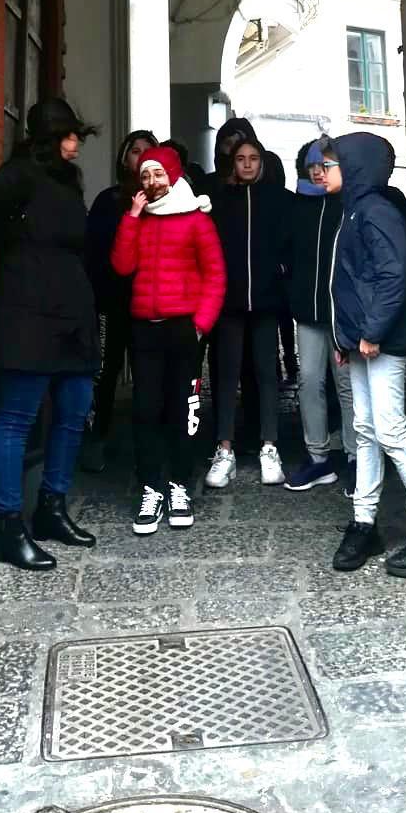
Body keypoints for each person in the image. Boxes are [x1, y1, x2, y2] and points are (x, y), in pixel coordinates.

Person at [0, 98, 101, 571]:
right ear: (51, 136)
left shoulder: (69, 181)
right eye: (70, 134)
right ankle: (7, 526)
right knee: (17, 419)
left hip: (72, 314)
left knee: (74, 410)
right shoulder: (20, 173)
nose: (76, 143)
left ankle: (51, 509)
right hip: (28, 314)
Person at [323, 132, 406, 577]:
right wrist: (346, 339)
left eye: (330, 165)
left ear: (354, 167)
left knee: (391, 432)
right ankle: (364, 524)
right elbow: (354, 282)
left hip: (378, 341)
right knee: (365, 430)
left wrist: (371, 332)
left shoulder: (376, 211)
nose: (322, 173)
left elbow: (393, 276)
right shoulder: (356, 209)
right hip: (362, 341)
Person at [110, 144, 225, 534]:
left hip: (183, 330)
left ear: (173, 176)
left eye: (158, 174)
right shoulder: (138, 218)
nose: (152, 181)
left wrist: (201, 324)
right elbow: (122, 265)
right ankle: (150, 488)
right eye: (145, 175)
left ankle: (179, 485)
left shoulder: (197, 219)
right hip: (145, 329)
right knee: (145, 411)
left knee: (183, 411)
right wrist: (132, 217)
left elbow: (215, 275)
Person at [207, 135, 294, 488]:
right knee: (226, 375)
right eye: (241, 158)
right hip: (228, 303)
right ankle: (224, 449)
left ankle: (269, 447)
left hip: (266, 301)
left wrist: (280, 271)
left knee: (266, 374)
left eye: (253, 158)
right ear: (233, 163)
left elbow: (291, 245)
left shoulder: (278, 199)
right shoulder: (219, 200)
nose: (246, 164)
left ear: (262, 162)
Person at [81, 129, 159, 472]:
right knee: (105, 372)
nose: (140, 156)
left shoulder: (165, 200)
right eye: (134, 150)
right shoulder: (108, 200)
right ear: (124, 158)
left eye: (147, 151)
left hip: (150, 303)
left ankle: (149, 448)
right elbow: (94, 252)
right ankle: (97, 439)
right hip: (112, 302)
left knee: (149, 376)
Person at [283, 140, 357, 493]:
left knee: (347, 385)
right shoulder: (298, 204)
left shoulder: (348, 203)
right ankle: (318, 459)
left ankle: (358, 459)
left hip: (341, 312)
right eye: (311, 165)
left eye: (323, 165)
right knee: (309, 381)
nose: (316, 171)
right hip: (308, 310)